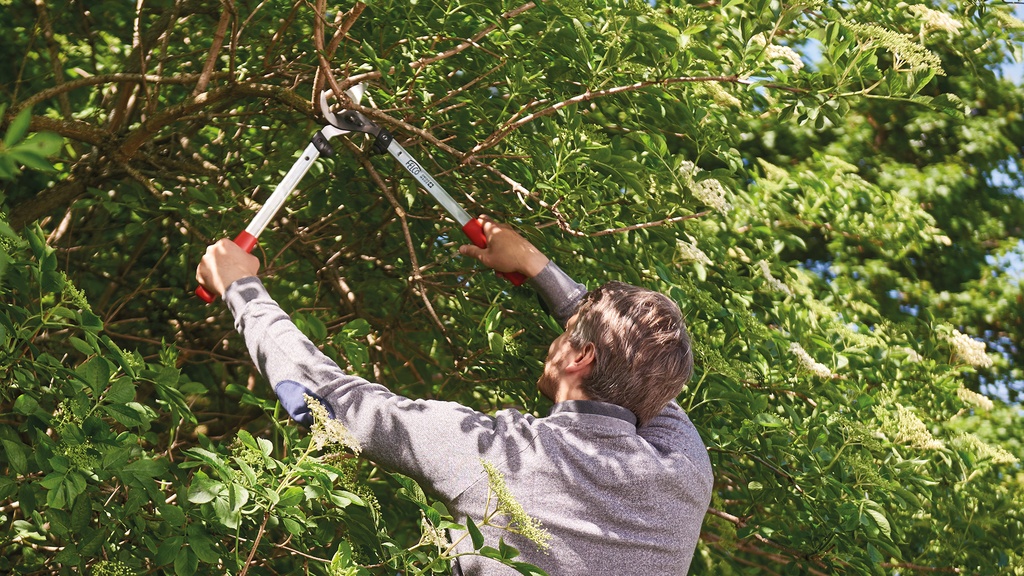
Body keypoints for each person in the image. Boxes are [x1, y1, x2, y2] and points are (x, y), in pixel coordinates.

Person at [196, 216, 713, 575]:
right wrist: (533, 264)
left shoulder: (503, 458)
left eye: (569, 337)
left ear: (579, 359)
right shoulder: (685, 469)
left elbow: (323, 403)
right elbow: (643, 364)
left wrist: (241, 290)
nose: (558, 338)